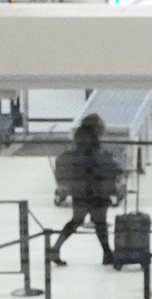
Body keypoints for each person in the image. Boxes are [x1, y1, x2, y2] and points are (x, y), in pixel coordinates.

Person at [51, 113, 124, 265]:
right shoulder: (90, 144)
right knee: (99, 222)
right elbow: (97, 163)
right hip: (94, 189)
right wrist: (114, 170)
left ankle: (55, 249)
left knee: (79, 220)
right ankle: (107, 254)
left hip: (81, 189)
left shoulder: (81, 138)